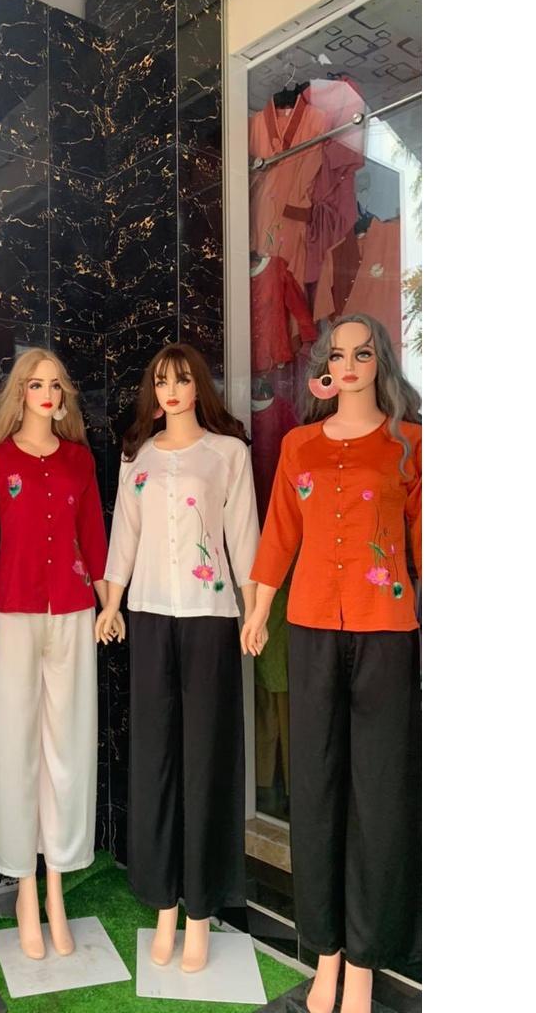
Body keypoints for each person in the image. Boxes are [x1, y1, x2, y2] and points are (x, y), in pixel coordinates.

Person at [241, 314, 422, 1013]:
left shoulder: (411, 445)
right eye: (337, 354)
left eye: (362, 353)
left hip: (387, 633)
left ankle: (366, 960)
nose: (348, 364)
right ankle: (325, 953)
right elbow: (280, 533)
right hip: (311, 628)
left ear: (380, 363)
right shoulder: (299, 445)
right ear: (323, 365)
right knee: (315, 790)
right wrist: (258, 610)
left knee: (378, 794)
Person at [97, 343, 260, 973]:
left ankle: (201, 909)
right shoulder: (136, 456)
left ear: (199, 387)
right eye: (161, 380)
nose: (171, 389)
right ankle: (163, 902)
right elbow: (124, 535)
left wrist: (254, 609)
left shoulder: (227, 454)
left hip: (210, 618)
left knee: (206, 760)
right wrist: (112, 604)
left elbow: (244, 534)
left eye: (182, 379)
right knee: (156, 759)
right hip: (148, 615)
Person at [0, 347, 119, 960]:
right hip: (11, 612)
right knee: (16, 746)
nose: (48, 393)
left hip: (75, 610)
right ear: (20, 392)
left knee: (69, 747)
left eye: (56, 384)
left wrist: (109, 604)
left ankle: (58, 884)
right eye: (36, 384)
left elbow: (94, 537)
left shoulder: (79, 460)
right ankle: (24, 888)